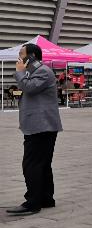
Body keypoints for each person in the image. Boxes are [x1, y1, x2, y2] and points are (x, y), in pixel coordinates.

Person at [6, 43, 62, 215]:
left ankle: (32, 202)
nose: (19, 58)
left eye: (21, 54)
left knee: (31, 164)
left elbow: (29, 87)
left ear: (30, 56)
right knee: (43, 163)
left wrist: (20, 72)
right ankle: (46, 198)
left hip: (41, 126)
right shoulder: (35, 71)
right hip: (40, 125)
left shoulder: (43, 71)